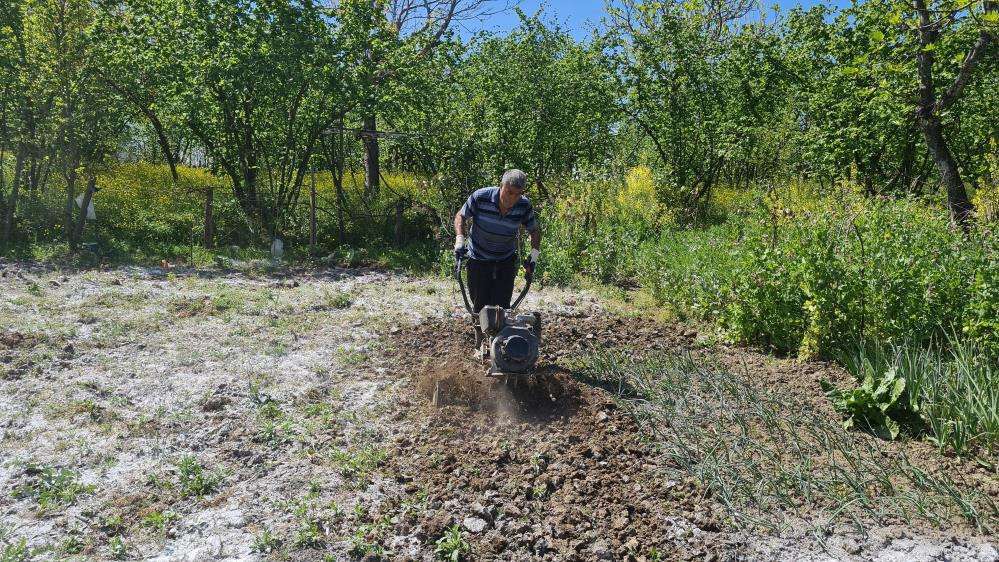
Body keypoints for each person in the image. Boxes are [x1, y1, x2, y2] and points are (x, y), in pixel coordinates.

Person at [453, 169, 541, 345]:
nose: (513, 198)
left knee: (502, 306)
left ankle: (499, 345)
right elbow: (461, 216)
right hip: (478, 257)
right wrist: (460, 240)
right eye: (509, 192)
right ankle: (480, 341)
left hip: (505, 259)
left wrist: (533, 257)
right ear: (501, 186)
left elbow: (535, 230)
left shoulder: (523, 205)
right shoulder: (481, 197)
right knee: (479, 304)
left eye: (518, 194)